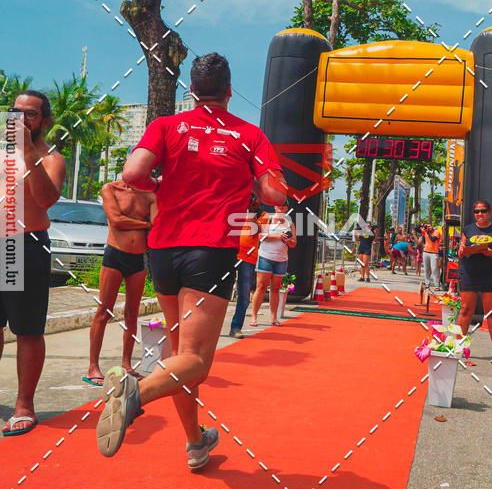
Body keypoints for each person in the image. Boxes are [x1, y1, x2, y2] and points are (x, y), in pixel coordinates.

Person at [95, 53, 286, 467]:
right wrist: (254, 180)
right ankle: (135, 393)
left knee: (181, 355)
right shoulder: (248, 136)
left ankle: (196, 443)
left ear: (193, 91)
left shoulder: (167, 126)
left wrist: (160, 183)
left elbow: (132, 172)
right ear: (230, 91)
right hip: (210, 250)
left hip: (162, 250)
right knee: (196, 361)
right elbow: (276, 196)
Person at [1, 92, 66, 436]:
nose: (21, 118)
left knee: (26, 329)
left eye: (30, 114)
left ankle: (24, 404)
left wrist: (27, 152)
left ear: (44, 121)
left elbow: (45, 200)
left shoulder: (51, 158)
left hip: (24, 245)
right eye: (16, 112)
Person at [84, 169, 157, 386]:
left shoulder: (150, 195)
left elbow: (158, 223)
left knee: (132, 314)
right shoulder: (110, 189)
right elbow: (115, 220)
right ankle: (93, 366)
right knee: (104, 311)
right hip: (115, 255)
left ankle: (127, 363)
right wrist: (144, 224)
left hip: (139, 259)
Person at [457, 200, 492, 364]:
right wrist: (462, 250)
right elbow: (461, 251)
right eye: (477, 211)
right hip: (470, 274)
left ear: (490, 212)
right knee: (465, 310)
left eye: (484, 211)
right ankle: (458, 347)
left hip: (489, 275)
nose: (480, 214)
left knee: (491, 312)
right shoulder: (468, 229)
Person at [250, 205, 296, 327]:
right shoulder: (268, 218)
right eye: (279, 205)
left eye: (284, 205)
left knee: (276, 289)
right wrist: (277, 237)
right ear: (275, 207)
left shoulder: (290, 223)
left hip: (281, 259)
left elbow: (294, 244)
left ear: (287, 208)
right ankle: (254, 317)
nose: (281, 207)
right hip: (266, 257)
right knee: (261, 287)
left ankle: (274, 318)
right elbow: (260, 237)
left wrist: (289, 241)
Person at [228, 193, 261, 338]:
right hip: (229, 255)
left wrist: (251, 212)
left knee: (244, 295)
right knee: (217, 293)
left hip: (247, 260)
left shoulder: (256, 219)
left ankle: (236, 327)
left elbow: (255, 230)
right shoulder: (231, 214)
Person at [421, 222, 443, 291]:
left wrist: (427, 232)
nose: (428, 228)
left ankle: (437, 285)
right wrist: (422, 225)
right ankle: (427, 284)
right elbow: (416, 228)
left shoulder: (436, 232)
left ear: (432, 226)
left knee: (434, 269)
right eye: (427, 227)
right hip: (426, 252)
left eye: (429, 226)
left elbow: (433, 239)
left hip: (434, 253)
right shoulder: (425, 231)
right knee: (426, 269)